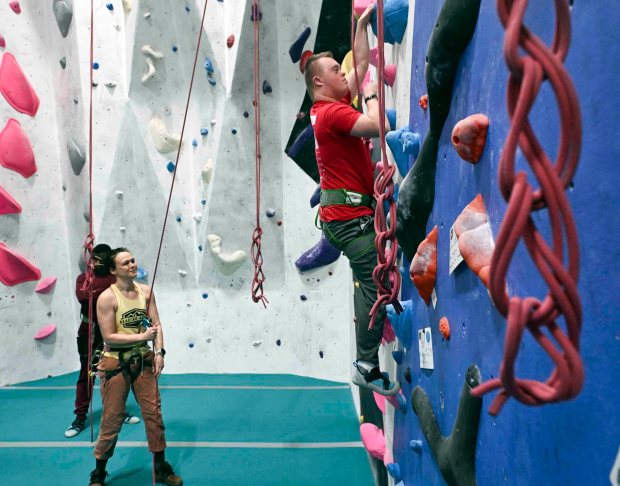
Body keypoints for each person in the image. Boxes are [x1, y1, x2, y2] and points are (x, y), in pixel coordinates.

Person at [304, 5, 400, 396]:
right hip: (348, 217)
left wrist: (362, 26)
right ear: (319, 82)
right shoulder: (330, 114)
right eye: (335, 72)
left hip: (347, 213)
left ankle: (367, 356)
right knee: (378, 281)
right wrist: (374, 93)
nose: (343, 73)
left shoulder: (328, 107)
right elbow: (382, 125)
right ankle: (365, 364)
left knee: (373, 280)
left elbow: (359, 62)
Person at [88, 248, 182, 486]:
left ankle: (160, 467)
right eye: (125, 263)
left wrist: (159, 351)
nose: (131, 265)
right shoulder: (107, 298)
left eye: (132, 260)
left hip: (142, 362)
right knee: (112, 419)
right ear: (113, 270)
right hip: (115, 364)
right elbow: (109, 337)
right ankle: (99, 471)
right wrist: (143, 338)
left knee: (154, 415)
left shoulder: (146, 292)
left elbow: (156, 324)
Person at [65, 244, 141, 438]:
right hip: (89, 330)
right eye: (94, 258)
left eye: (100, 259)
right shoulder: (84, 279)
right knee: (86, 373)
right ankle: (80, 416)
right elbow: (84, 298)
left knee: (115, 371)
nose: (95, 262)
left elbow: (119, 296)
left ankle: (118, 411)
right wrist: (93, 288)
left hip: (111, 330)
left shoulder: (114, 280)